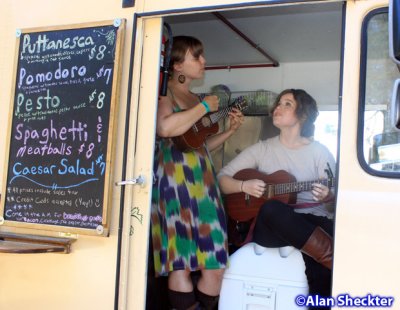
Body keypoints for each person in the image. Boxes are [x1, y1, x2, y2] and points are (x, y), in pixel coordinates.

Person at [217, 89, 335, 309]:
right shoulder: (262, 148)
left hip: (311, 222)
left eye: (287, 104)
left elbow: (332, 203)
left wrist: (328, 196)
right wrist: (243, 185)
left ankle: (325, 266)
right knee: (272, 208)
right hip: (271, 229)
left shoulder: (320, 152)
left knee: (320, 274)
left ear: (303, 115)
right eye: (278, 103)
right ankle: (334, 258)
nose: (277, 108)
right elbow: (222, 178)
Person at [151, 35, 244, 310]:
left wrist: (230, 131)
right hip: (174, 182)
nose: (203, 62)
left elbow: (198, 145)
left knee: (215, 266)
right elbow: (165, 129)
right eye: (196, 56)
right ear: (177, 65)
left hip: (204, 183)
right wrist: (203, 107)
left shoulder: (196, 97)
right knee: (180, 264)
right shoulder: (163, 93)